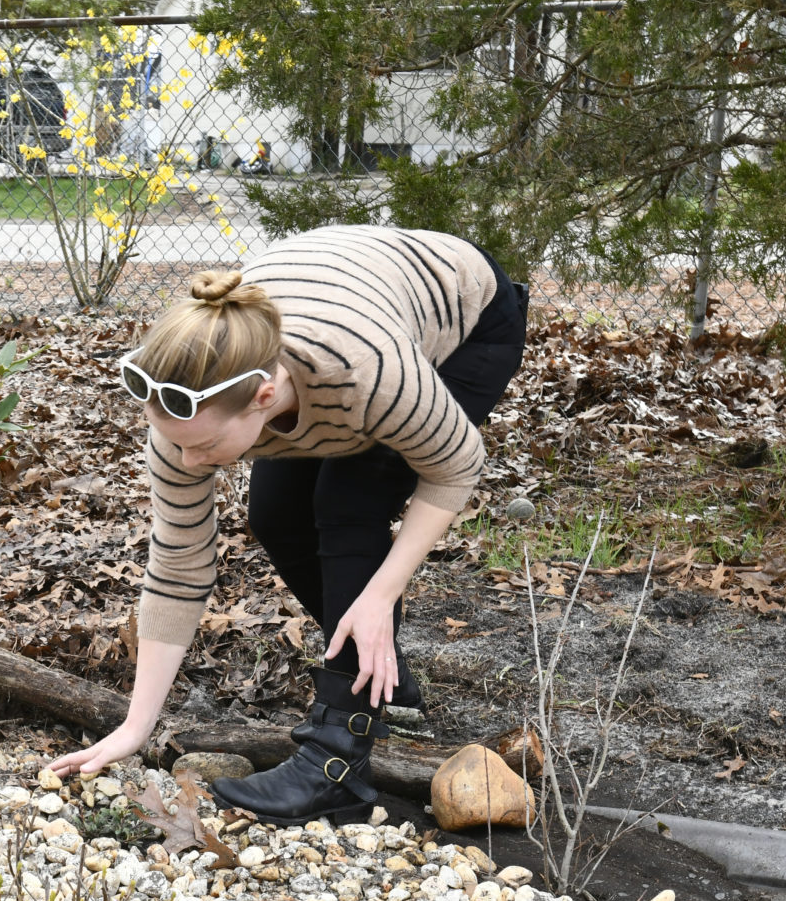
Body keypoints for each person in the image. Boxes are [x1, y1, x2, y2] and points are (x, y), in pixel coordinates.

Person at [46, 223, 529, 824]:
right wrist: (135, 727)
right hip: (342, 305)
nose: (188, 461)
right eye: (179, 445)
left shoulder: (367, 372)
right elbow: (177, 563)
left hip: (466, 317)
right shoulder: (184, 414)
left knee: (349, 502)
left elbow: (456, 466)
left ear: (264, 397)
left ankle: (337, 763)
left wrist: (381, 595)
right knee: (275, 516)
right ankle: (384, 680)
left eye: (207, 446)